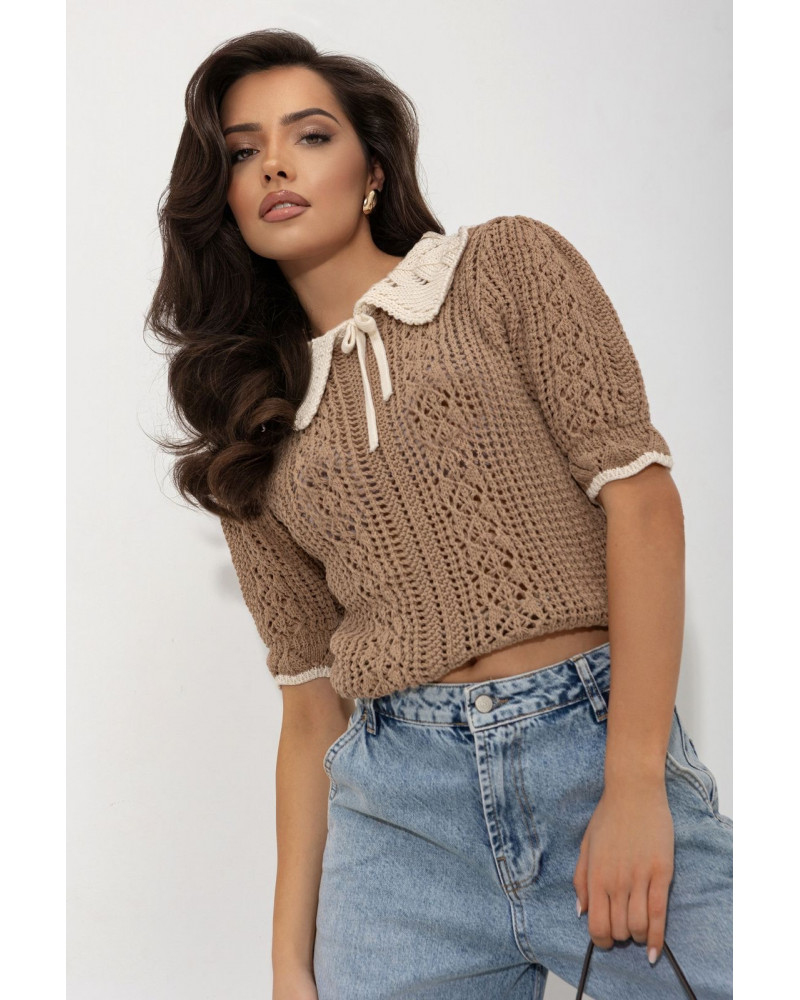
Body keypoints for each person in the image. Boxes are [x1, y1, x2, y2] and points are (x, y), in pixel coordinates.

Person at [145, 28, 733, 1000]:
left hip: (589, 753)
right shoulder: (249, 417)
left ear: (373, 172)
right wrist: (288, 963)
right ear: (227, 199)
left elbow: (642, 503)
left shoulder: (505, 266)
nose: (276, 165)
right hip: (396, 824)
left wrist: (633, 782)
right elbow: (309, 705)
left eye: (310, 135)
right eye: (243, 152)